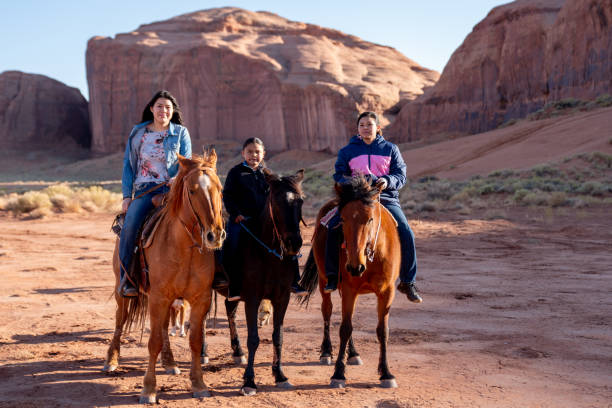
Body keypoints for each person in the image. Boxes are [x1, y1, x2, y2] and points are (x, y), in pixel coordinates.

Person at [323, 111, 423, 303]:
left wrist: (386, 181)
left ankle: (408, 282)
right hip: (355, 199)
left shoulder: (391, 149)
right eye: (362, 125)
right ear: (357, 129)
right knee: (332, 226)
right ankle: (332, 276)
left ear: (378, 128)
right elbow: (338, 175)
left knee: (405, 231)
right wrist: (356, 182)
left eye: (370, 124)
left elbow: (400, 176)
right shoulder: (347, 151)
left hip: (385, 199)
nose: (366, 128)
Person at [117, 90, 192, 297]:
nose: (163, 110)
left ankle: (214, 273)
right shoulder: (138, 133)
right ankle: (128, 279)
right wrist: (126, 196)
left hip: (172, 190)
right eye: (159, 106)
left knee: (203, 219)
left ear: (172, 111)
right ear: (151, 108)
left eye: (168, 107)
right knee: (129, 227)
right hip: (145, 190)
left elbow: (187, 163)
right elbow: (128, 165)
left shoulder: (180, 132)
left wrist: (177, 178)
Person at [222, 137, 307, 301]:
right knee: (231, 244)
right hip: (242, 220)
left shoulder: (267, 175)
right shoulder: (236, 172)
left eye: (257, 152)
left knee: (288, 240)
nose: (253, 155)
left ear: (263, 154)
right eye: (250, 152)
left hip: (263, 220)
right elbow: (228, 196)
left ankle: (294, 281)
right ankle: (233, 286)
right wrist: (235, 213)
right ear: (243, 153)